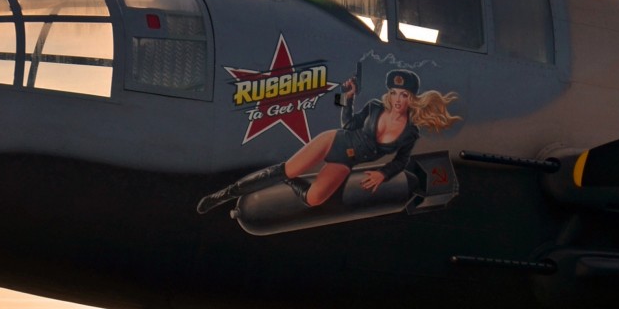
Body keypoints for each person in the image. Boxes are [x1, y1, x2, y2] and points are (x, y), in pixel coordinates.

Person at [197, 69, 459, 213]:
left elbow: (401, 160)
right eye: (394, 92)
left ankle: (288, 179)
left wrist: (382, 173)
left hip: (348, 161)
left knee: (314, 199)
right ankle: (224, 195)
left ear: (412, 97)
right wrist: (348, 98)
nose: (398, 99)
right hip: (334, 141)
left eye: (403, 94)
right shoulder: (375, 107)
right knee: (288, 168)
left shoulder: (410, 132)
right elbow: (348, 124)